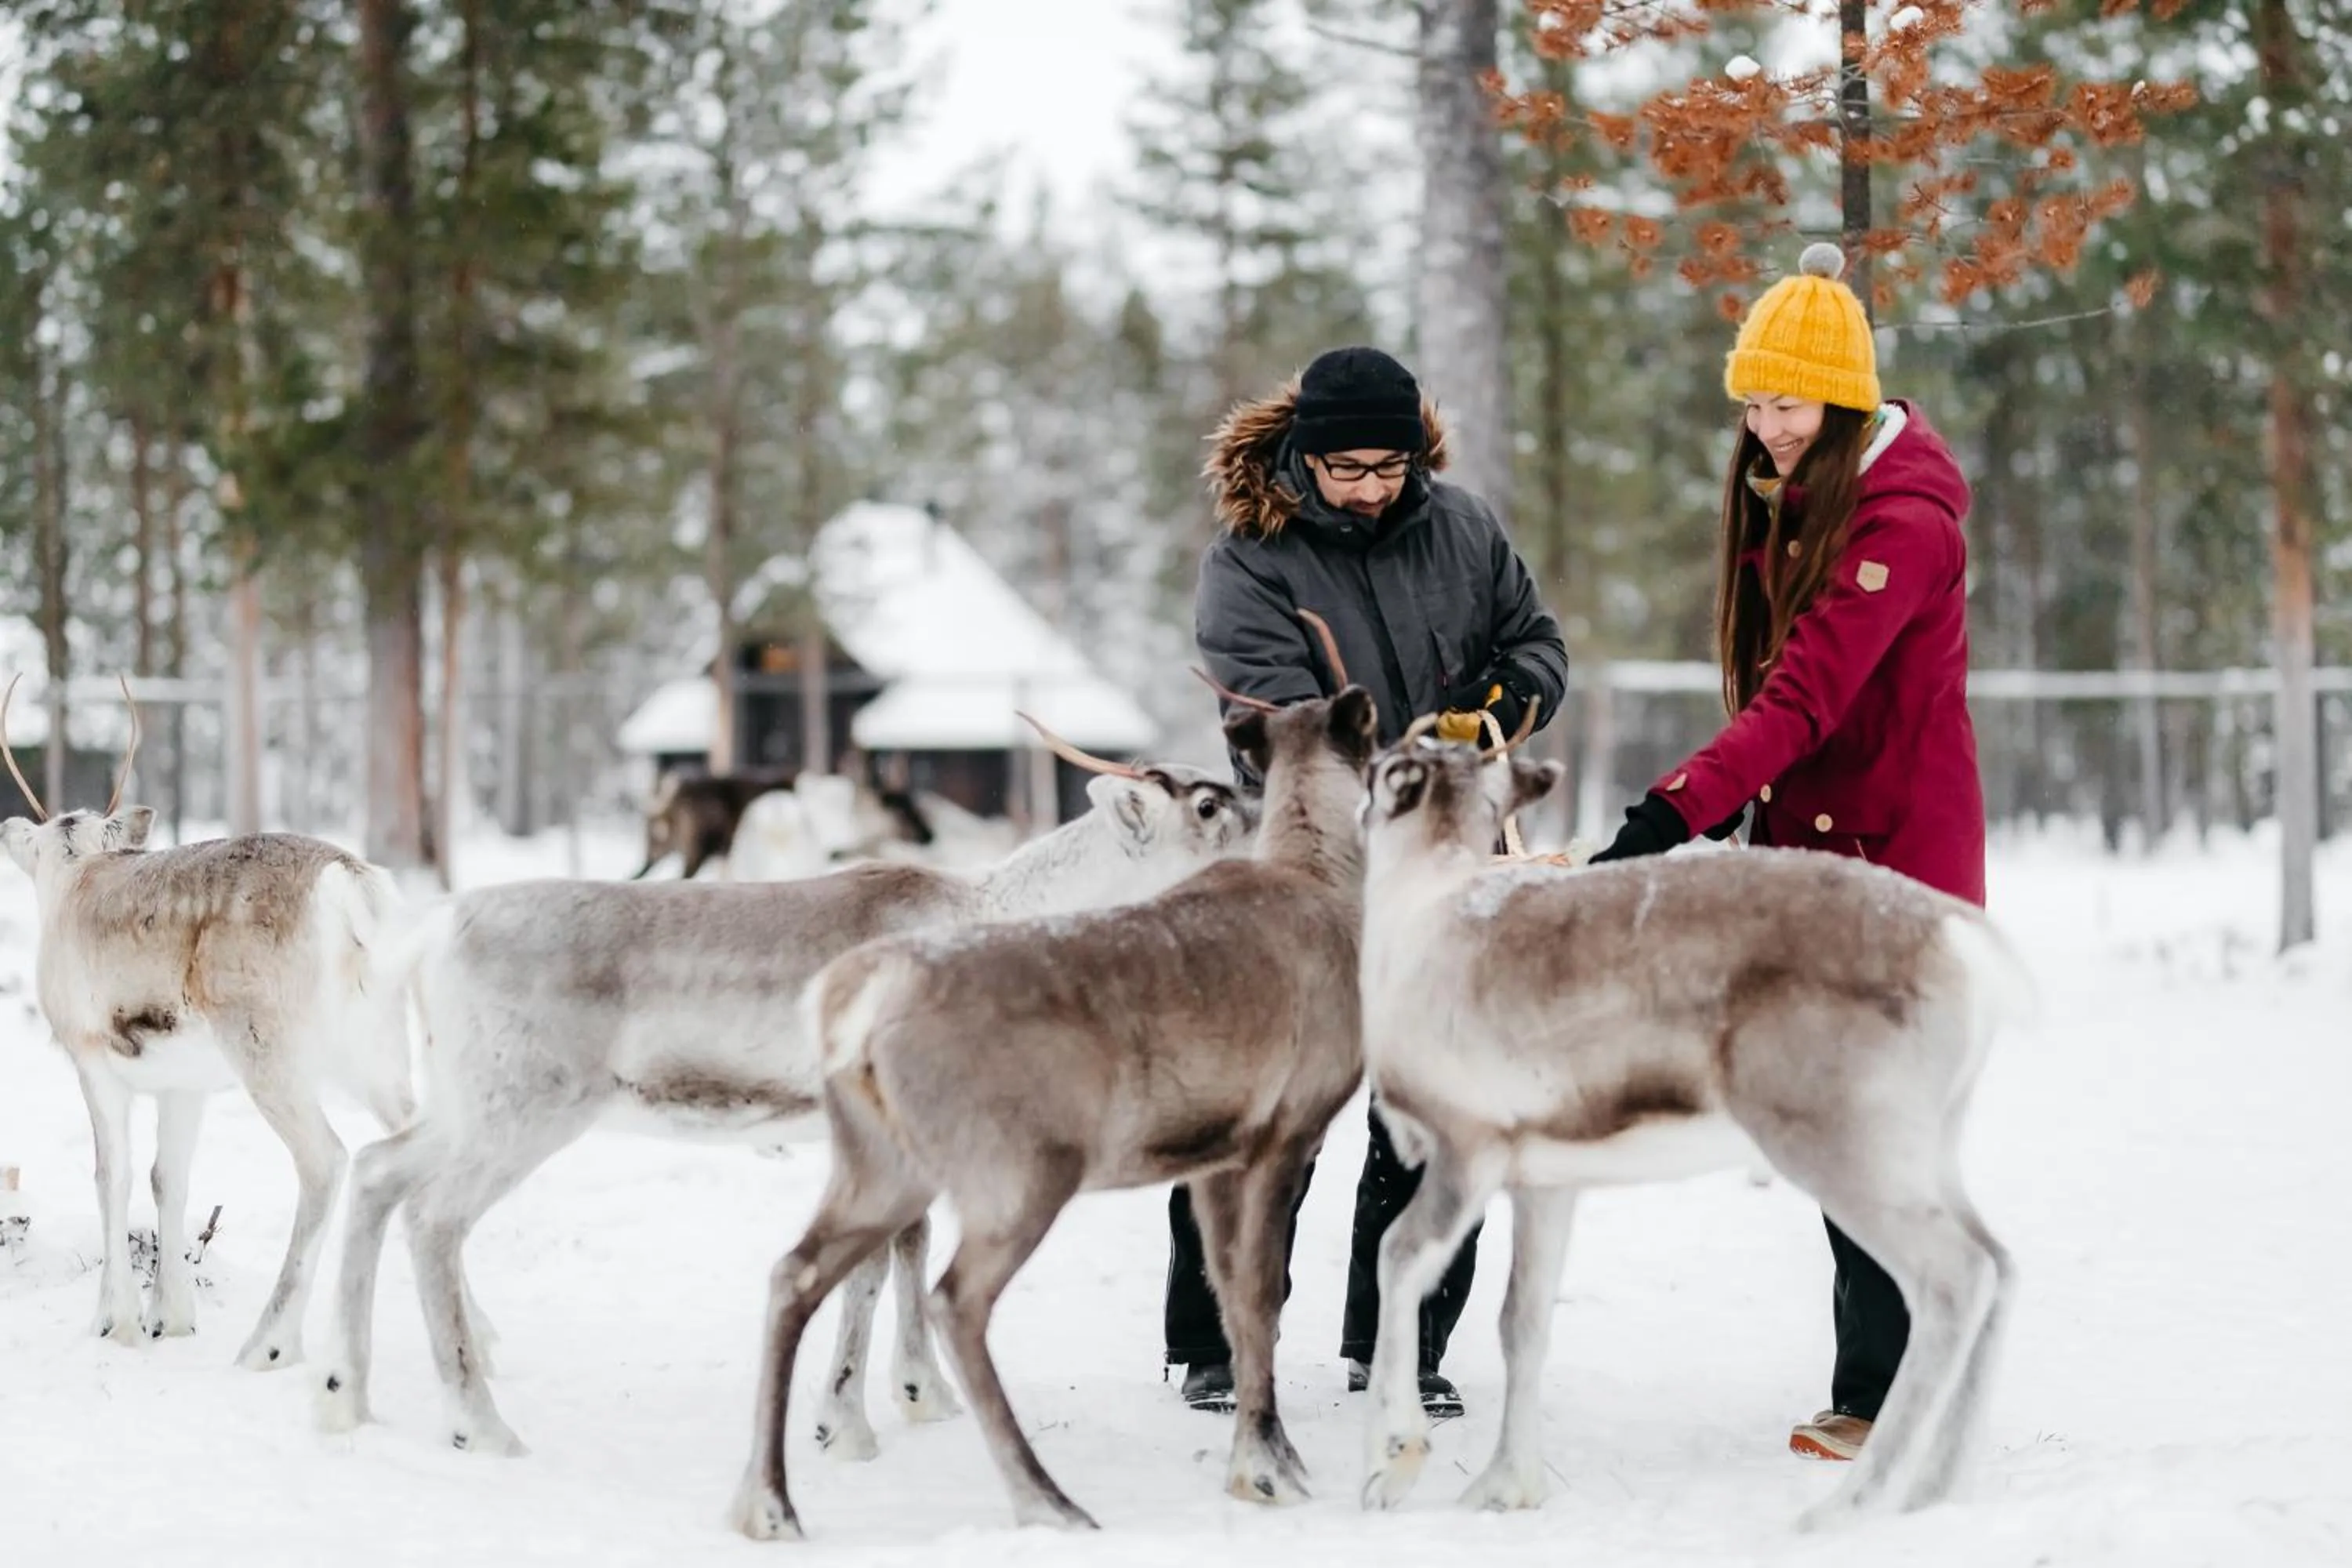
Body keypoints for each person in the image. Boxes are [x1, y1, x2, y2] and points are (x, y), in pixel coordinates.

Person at [1587, 242, 1984, 1463]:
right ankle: (1885, 1388)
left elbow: (1806, 695)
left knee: (1868, 1129)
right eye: (1753, 401)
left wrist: (1671, 813)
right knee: (1835, 1124)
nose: (1764, 426)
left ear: (1845, 400)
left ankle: (1893, 1398)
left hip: (1895, 873)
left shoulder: (1900, 525)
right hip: (1824, 860)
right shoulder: (1802, 499)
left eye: (1790, 404)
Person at [1178, 344, 1570, 1419]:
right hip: (1311, 868)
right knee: (1268, 1100)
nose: (1369, 488)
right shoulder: (1250, 558)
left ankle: (1402, 1339)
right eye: (1346, 469)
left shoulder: (1466, 528)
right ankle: (1214, 1337)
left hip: (1447, 866)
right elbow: (1274, 720)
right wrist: (1401, 767)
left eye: (1389, 467)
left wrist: (1495, 709)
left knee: (1441, 1096)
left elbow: (1536, 643)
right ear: (1305, 459)